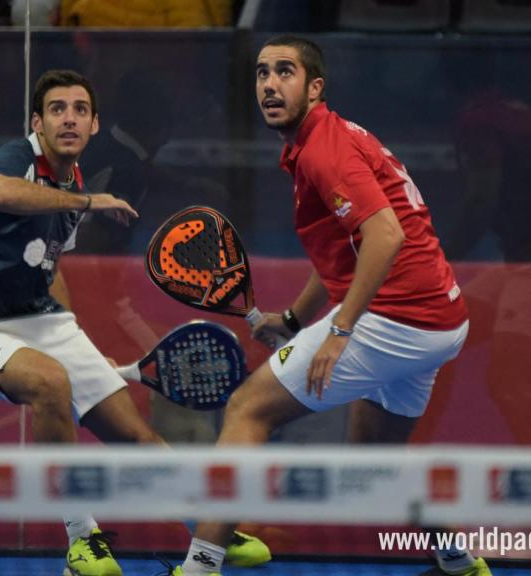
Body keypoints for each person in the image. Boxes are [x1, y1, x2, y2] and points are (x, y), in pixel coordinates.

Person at [166, 37, 489, 576]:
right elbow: (349, 245)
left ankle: (199, 567)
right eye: (262, 73)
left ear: (315, 87)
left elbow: (383, 236)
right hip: (440, 321)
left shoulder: (324, 151)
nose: (270, 84)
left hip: (399, 318)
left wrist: (339, 330)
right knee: (377, 457)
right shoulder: (330, 138)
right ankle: (461, 564)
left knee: (249, 408)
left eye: (285, 72)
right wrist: (294, 319)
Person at [0, 69, 268, 576]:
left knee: (133, 435)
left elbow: (51, 266)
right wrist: (88, 201)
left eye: (79, 109)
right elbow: (0, 194)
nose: (68, 117)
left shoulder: (72, 181)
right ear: (37, 122)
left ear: (94, 125)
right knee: (50, 385)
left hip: (43, 321)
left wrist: (74, 340)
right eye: (56, 109)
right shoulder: (16, 159)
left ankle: (206, 528)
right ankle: (80, 539)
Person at [407, 56, 531, 446]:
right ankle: (413, 461)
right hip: (528, 260)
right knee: (434, 342)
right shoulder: (511, 112)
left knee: (509, 380)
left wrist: (435, 260)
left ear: (446, 91)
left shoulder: (478, 121)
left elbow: (482, 200)